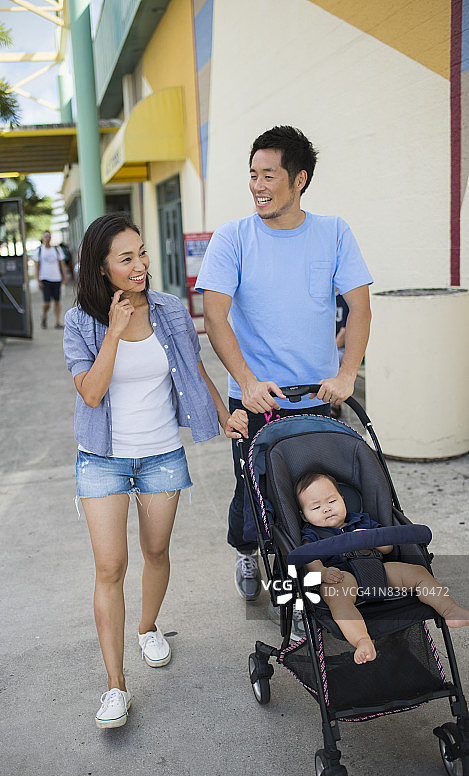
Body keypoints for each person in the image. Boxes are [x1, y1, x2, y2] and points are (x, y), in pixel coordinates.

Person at [63, 213, 248, 729]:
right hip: (102, 457)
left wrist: (222, 412)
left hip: (162, 453)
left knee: (156, 550)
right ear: (102, 269)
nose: (141, 265)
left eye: (141, 253)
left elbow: (194, 368)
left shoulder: (168, 309)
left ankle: (148, 627)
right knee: (111, 567)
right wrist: (115, 333)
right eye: (127, 259)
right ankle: (115, 686)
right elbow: (92, 392)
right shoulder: (81, 321)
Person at [195, 125, 373, 603]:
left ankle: (319, 574)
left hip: (319, 397)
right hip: (256, 399)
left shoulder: (333, 232)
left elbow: (359, 306)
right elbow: (215, 314)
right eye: (252, 175)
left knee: (318, 493)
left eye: (269, 175)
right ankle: (247, 550)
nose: (258, 186)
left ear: (300, 180)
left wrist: (346, 373)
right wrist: (247, 382)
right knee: (252, 493)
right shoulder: (232, 237)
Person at [296, 472, 469, 665]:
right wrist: (322, 572)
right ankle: (362, 640)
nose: (326, 509)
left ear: (344, 499)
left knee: (419, 574)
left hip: (377, 567)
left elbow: (387, 547)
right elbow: (308, 556)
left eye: (332, 501)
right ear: (304, 515)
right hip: (341, 576)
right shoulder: (312, 533)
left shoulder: (362, 520)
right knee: (337, 598)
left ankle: (450, 610)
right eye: (316, 507)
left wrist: (371, 536)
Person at [34, 230, 67, 329]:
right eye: (45, 236)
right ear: (43, 238)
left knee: (57, 301)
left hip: (56, 278)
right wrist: (38, 280)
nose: (47, 238)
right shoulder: (39, 250)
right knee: (46, 303)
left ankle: (57, 322)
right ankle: (44, 316)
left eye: (49, 236)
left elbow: (62, 264)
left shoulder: (57, 249)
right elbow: (36, 266)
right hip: (45, 279)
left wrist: (64, 277)